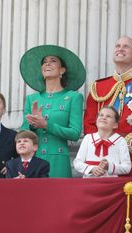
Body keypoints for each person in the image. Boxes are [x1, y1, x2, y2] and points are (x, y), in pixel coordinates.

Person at [84, 36, 132, 177]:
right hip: (99, 153)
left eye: (126, 46)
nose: (120, 48)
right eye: (118, 45)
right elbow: (89, 122)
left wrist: (122, 147)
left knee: (129, 195)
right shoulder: (98, 86)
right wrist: (98, 144)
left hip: (131, 153)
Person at [19, 45, 85, 178]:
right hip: (34, 160)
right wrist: (33, 124)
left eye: (53, 61)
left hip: (58, 161)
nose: (47, 64)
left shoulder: (74, 97)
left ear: (62, 70)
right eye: (44, 62)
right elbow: (22, 133)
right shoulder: (32, 99)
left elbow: (75, 133)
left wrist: (47, 125)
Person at [74, 106, 131, 178]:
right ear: (96, 120)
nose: (103, 118)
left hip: (110, 184)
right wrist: (92, 169)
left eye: (108, 116)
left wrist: (109, 166)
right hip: (89, 183)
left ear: (115, 125)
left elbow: (127, 167)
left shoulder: (120, 141)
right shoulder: (88, 138)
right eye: (101, 115)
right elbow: (77, 163)